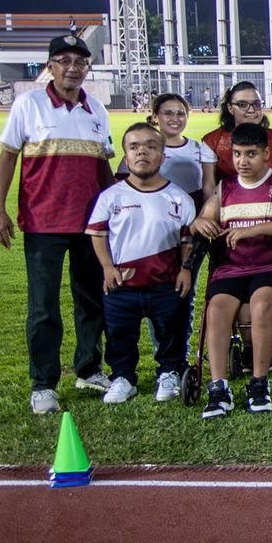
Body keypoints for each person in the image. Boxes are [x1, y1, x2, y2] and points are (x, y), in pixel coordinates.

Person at [0, 33, 115, 415]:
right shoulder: (28, 105)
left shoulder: (97, 109)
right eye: (64, 61)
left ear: (87, 68)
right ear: (50, 67)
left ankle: (88, 369)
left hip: (90, 223)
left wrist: (116, 213)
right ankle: (43, 383)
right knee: (44, 306)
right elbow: (8, 158)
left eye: (80, 62)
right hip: (43, 222)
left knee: (92, 300)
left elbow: (104, 167)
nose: (72, 68)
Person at [192, 122, 272, 417]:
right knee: (217, 309)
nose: (242, 161)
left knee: (262, 303)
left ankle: (259, 383)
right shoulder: (225, 187)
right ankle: (218, 388)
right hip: (233, 267)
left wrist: (255, 229)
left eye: (251, 154)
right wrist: (199, 222)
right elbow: (203, 219)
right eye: (237, 154)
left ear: (266, 154)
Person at [87, 122, 197, 404]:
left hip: (165, 284)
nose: (142, 152)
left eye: (150, 146)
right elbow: (98, 234)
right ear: (125, 156)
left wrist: (185, 269)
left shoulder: (179, 198)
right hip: (122, 284)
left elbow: (188, 241)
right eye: (134, 147)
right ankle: (123, 377)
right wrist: (107, 267)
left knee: (170, 333)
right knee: (119, 336)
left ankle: (169, 372)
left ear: (162, 156)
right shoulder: (111, 196)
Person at [129, 93, 215, 206]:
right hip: (156, 208)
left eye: (181, 113)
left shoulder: (199, 147)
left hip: (196, 209)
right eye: (168, 113)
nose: (175, 119)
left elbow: (209, 184)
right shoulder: (141, 150)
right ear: (155, 117)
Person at [203, 81, 272, 183]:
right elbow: (209, 185)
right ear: (230, 108)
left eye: (257, 104)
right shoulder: (213, 141)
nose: (251, 110)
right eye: (243, 105)